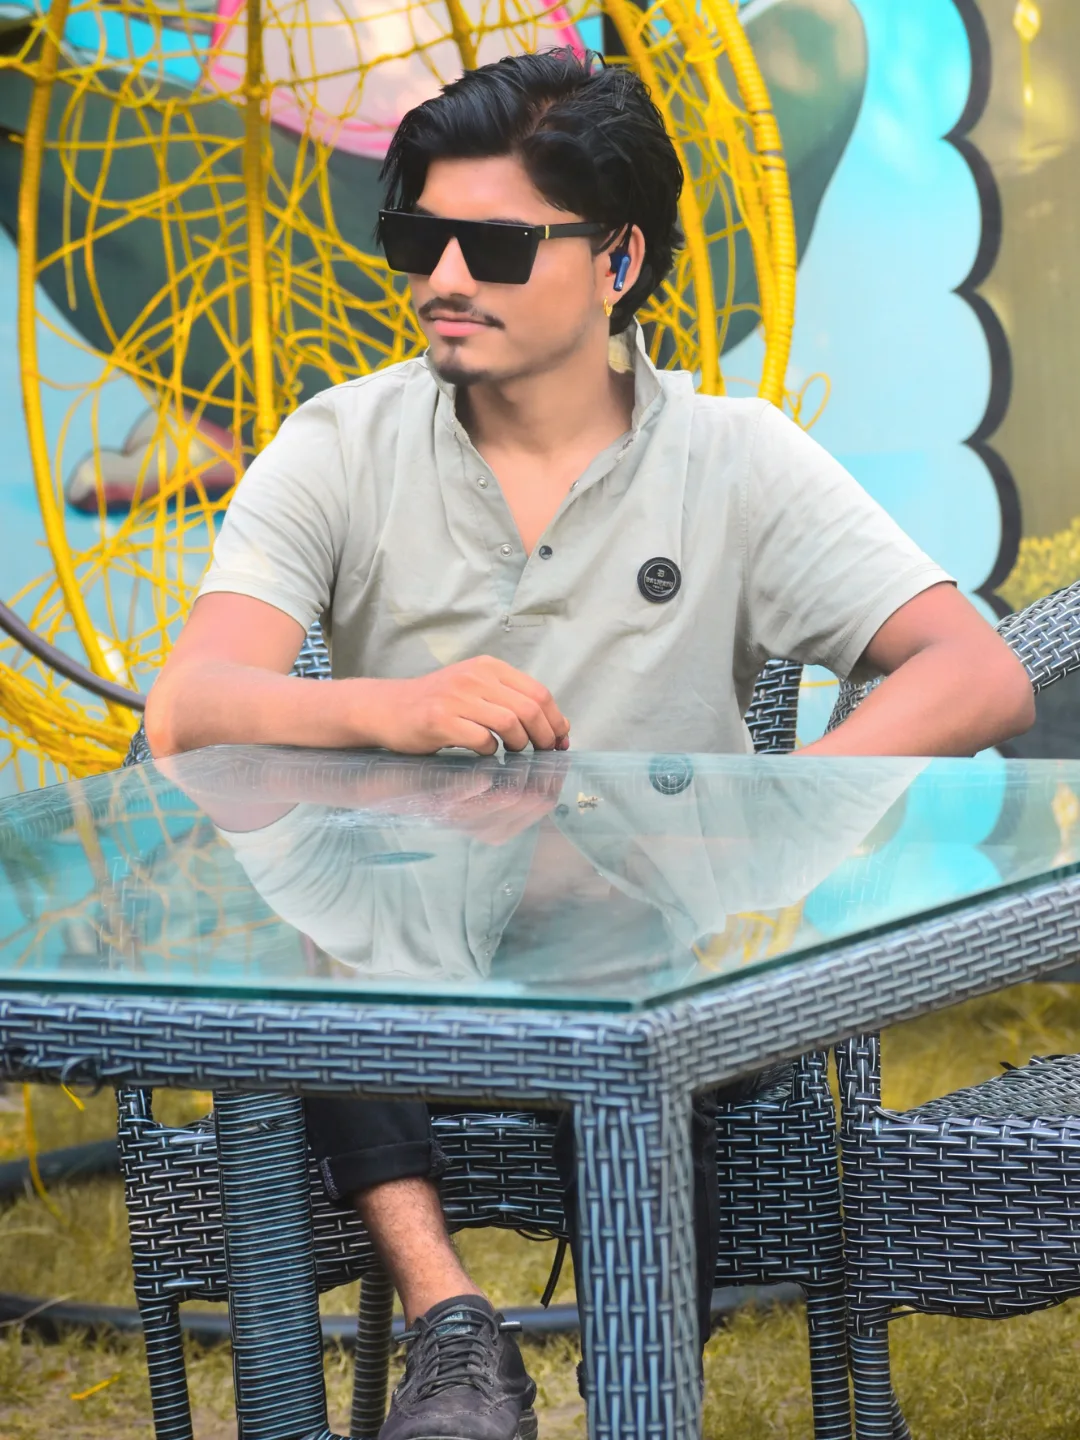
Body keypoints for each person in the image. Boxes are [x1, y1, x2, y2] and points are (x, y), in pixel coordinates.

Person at [145, 47, 1034, 1440]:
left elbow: (974, 672)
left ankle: (637, 1376)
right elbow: (190, 709)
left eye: (497, 246)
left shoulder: (735, 458)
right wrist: (393, 708)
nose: (444, 278)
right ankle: (453, 1330)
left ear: (618, 261)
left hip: (668, 958)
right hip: (400, 958)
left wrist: (776, 814)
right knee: (304, 923)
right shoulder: (340, 442)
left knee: (622, 943)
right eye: (417, 237)